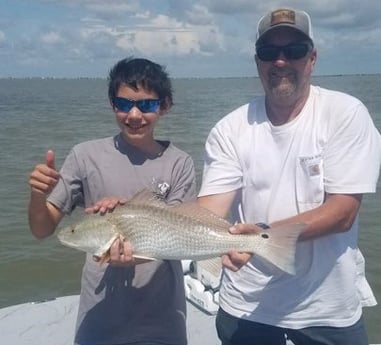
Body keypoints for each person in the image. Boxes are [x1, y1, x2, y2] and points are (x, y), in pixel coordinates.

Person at [198, 7, 381, 345]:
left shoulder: (345, 114)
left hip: (327, 305)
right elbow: (209, 211)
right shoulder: (230, 129)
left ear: (312, 59)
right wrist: (138, 228)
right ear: (258, 63)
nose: (280, 61)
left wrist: (260, 239)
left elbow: (343, 212)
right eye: (269, 53)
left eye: (293, 51)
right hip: (247, 303)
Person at [28, 57, 196, 345]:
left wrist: (132, 212)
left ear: (164, 106)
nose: (133, 115)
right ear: (112, 104)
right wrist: (37, 195)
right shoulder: (85, 156)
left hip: (163, 320)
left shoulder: (179, 163)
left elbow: (185, 234)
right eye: (123, 104)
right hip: (100, 319)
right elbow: (42, 230)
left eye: (146, 105)